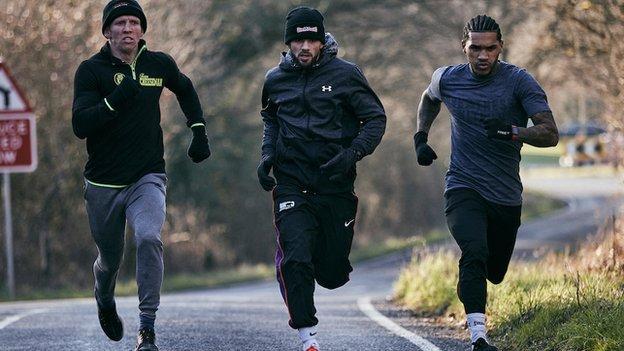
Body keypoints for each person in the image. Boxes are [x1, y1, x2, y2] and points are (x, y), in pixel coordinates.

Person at [412, 14, 558, 351]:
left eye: (490, 49)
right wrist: (420, 138)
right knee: (474, 250)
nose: (482, 56)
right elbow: (429, 98)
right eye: (475, 48)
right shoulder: (447, 78)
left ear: (500, 48)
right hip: (462, 184)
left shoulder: (519, 82)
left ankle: (470, 282)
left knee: (494, 271)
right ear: (464, 47)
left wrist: (513, 131)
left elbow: (551, 134)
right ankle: (478, 335)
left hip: (505, 195)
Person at [72, 1, 211, 350]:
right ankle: (104, 297)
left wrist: (198, 130)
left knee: (149, 238)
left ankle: (146, 327)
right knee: (110, 258)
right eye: (120, 23)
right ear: (107, 31)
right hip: (103, 183)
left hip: (146, 177)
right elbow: (80, 124)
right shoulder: (91, 71)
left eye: (135, 22)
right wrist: (116, 99)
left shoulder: (158, 64)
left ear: (142, 29)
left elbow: (185, 87)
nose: (128, 28)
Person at [257, 6, 386, 351]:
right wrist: (267, 155)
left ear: (321, 40)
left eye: (311, 39)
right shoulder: (275, 79)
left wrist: (352, 153)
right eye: (298, 40)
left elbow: (375, 119)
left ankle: (313, 265)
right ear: (288, 43)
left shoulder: (346, 74)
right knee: (296, 257)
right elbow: (270, 120)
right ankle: (307, 337)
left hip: (335, 185)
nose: (304, 47)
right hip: (292, 182)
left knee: (331, 273)